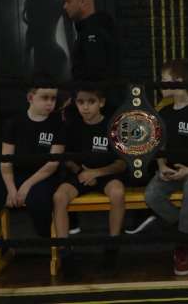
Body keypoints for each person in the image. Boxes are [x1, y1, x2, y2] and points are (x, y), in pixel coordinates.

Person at [63, 0, 126, 234]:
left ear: (83, 2)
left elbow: (97, 74)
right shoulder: (91, 29)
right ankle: (71, 217)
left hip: (106, 109)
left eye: (68, 1)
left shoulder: (94, 31)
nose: (64, 6)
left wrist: (80, 99)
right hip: (102, 105)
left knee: (113, 155)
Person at [144, 59, 188, 276]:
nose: (161, 83)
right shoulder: (164, 113)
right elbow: (160, 147)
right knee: (151, 195)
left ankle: (183, 245)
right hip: (171, 171)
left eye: (164, 79)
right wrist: (161, 166)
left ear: (178, 81)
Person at [0, 77, 64, 239]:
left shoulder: (58, 124)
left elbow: (53, 164)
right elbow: (6, 160)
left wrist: (27, 185)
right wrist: (11, 189)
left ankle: (48, 240)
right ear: (30, 98)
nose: (50, 103)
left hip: (43, 177)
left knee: (38, 203)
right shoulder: (14, 122)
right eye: (45, 98)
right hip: (15, 175)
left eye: (53, 98)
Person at [53, 88, 126, 274]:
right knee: (59, 196)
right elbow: (65, 157)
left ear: (101, 102)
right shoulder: (72, 127)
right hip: (80, 174)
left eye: (91, 102)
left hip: (105, 174)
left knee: (118, 192)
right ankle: (64, 253)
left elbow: (122, 163)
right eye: (81, 102)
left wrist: (97, 173)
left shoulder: (114, 126)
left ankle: (112, 248)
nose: (85, 107)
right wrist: (81, 172)